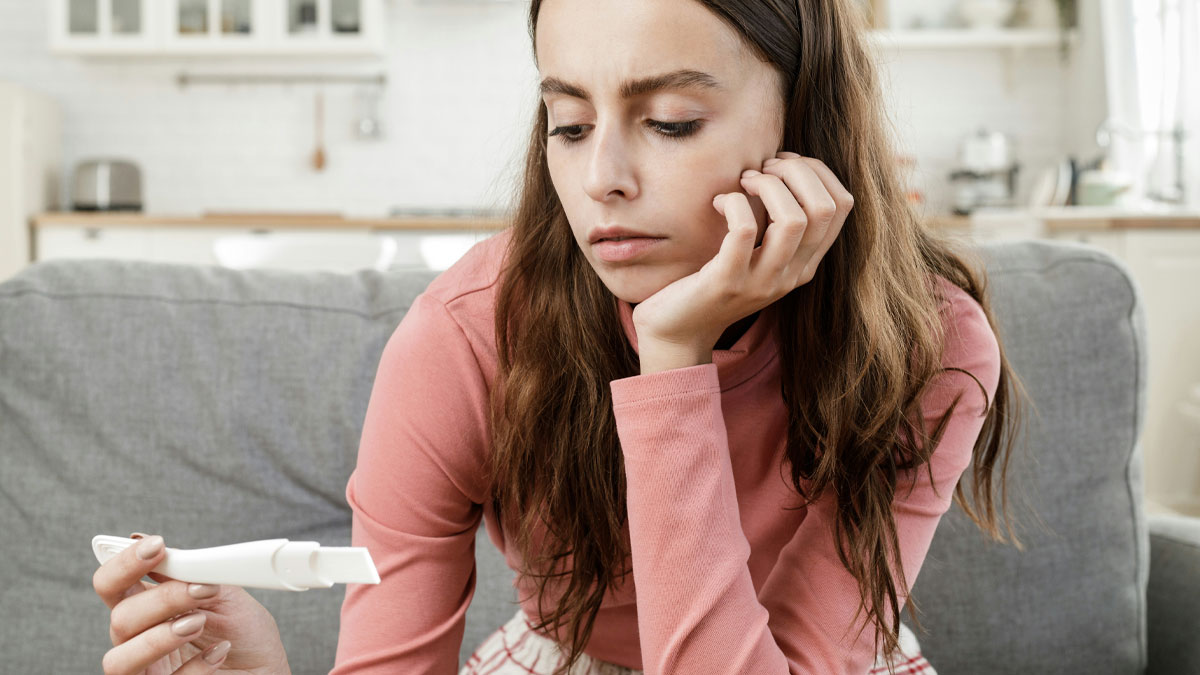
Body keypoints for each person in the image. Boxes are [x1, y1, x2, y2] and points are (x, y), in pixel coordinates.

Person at [93, 0, 1033, 673]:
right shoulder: (464, 340)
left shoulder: (930, 347)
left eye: (671, 121)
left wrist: (672, 363)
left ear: (807, 122)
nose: (602, 179)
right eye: (570, 123)